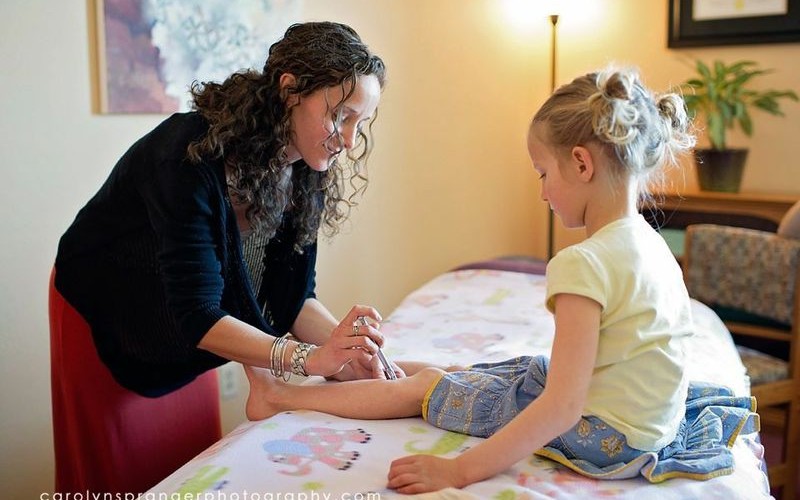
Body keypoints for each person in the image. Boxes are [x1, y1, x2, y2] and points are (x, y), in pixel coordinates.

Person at [243, 66, 758, 494]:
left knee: (427, 386)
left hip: (609, 438)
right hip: (642, 425)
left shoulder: (587, 263)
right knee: (474, 372)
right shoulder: (652, 246)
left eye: (542, 173)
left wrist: (458, 471)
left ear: (580, 163)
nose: (542, 193)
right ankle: (377, 375)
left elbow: (562, 406)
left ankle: (281, 398)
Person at [51, 21, 398, 492]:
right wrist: (310, 360)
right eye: (341, 116)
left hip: (190, 331)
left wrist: (341, 352)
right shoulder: (187, 154)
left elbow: (294, 298)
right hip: (109, 313)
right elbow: (199, 314)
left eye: (362, 122)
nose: (350, 141)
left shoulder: (304, 167)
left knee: (188, 464)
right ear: (289, 90)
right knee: (119, 478)